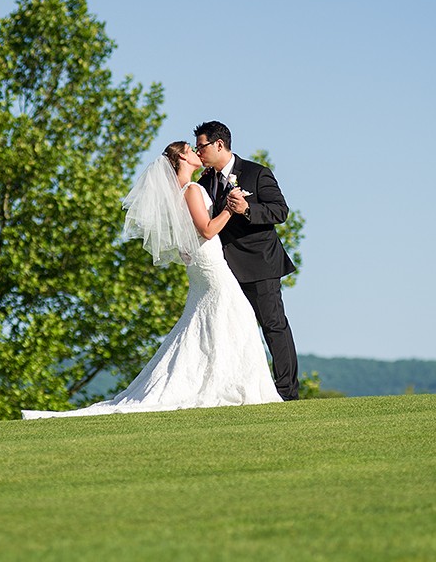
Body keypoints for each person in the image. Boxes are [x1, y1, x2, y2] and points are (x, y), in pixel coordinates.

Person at [22, 141, 281, 419]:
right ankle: (232, 385)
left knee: (209, 321)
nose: (196, 152)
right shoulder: (192, 189)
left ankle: (222, 381)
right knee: (235, 315)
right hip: (211, 266)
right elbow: (206, 231)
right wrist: (230, 209)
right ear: (182, 157)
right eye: (191, 150)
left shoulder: (176, 194)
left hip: (199, 267)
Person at [194, 121, 300, 401]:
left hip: (261, 264)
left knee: (273, 325)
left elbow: (280, 211)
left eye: (201, 146)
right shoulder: (204, 182)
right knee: (232, 331)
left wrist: (248, 208)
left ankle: (287, 393)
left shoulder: (256, 172)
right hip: (225, 269)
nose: (198, 151)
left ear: (219, 144)